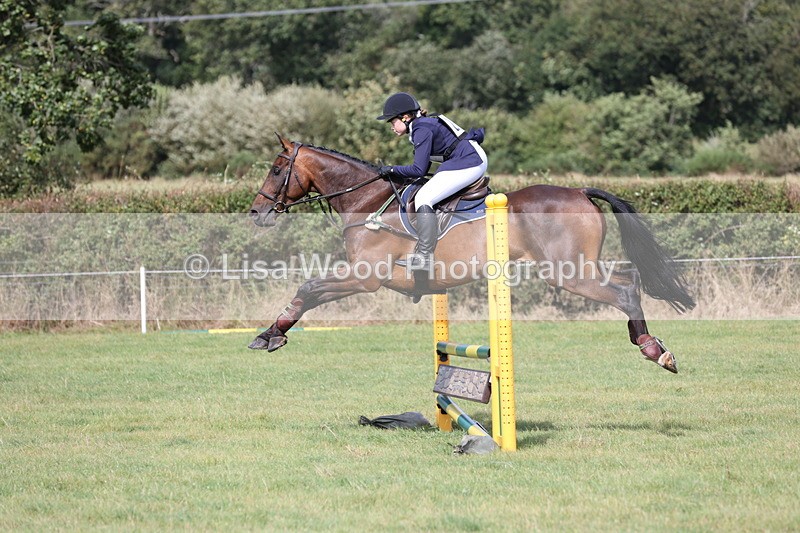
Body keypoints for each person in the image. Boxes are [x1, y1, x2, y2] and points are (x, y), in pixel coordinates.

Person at [376, 92, 488, 283]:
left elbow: (418, 169)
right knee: (425, 191)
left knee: (423, 198)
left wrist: (392, 169)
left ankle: (425, 256)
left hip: (470, 161)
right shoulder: (421, 126)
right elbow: (423, 167)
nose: (392, 127)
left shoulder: (421, 129)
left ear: (405, 117)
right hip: (466, 159)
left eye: (392, 121)